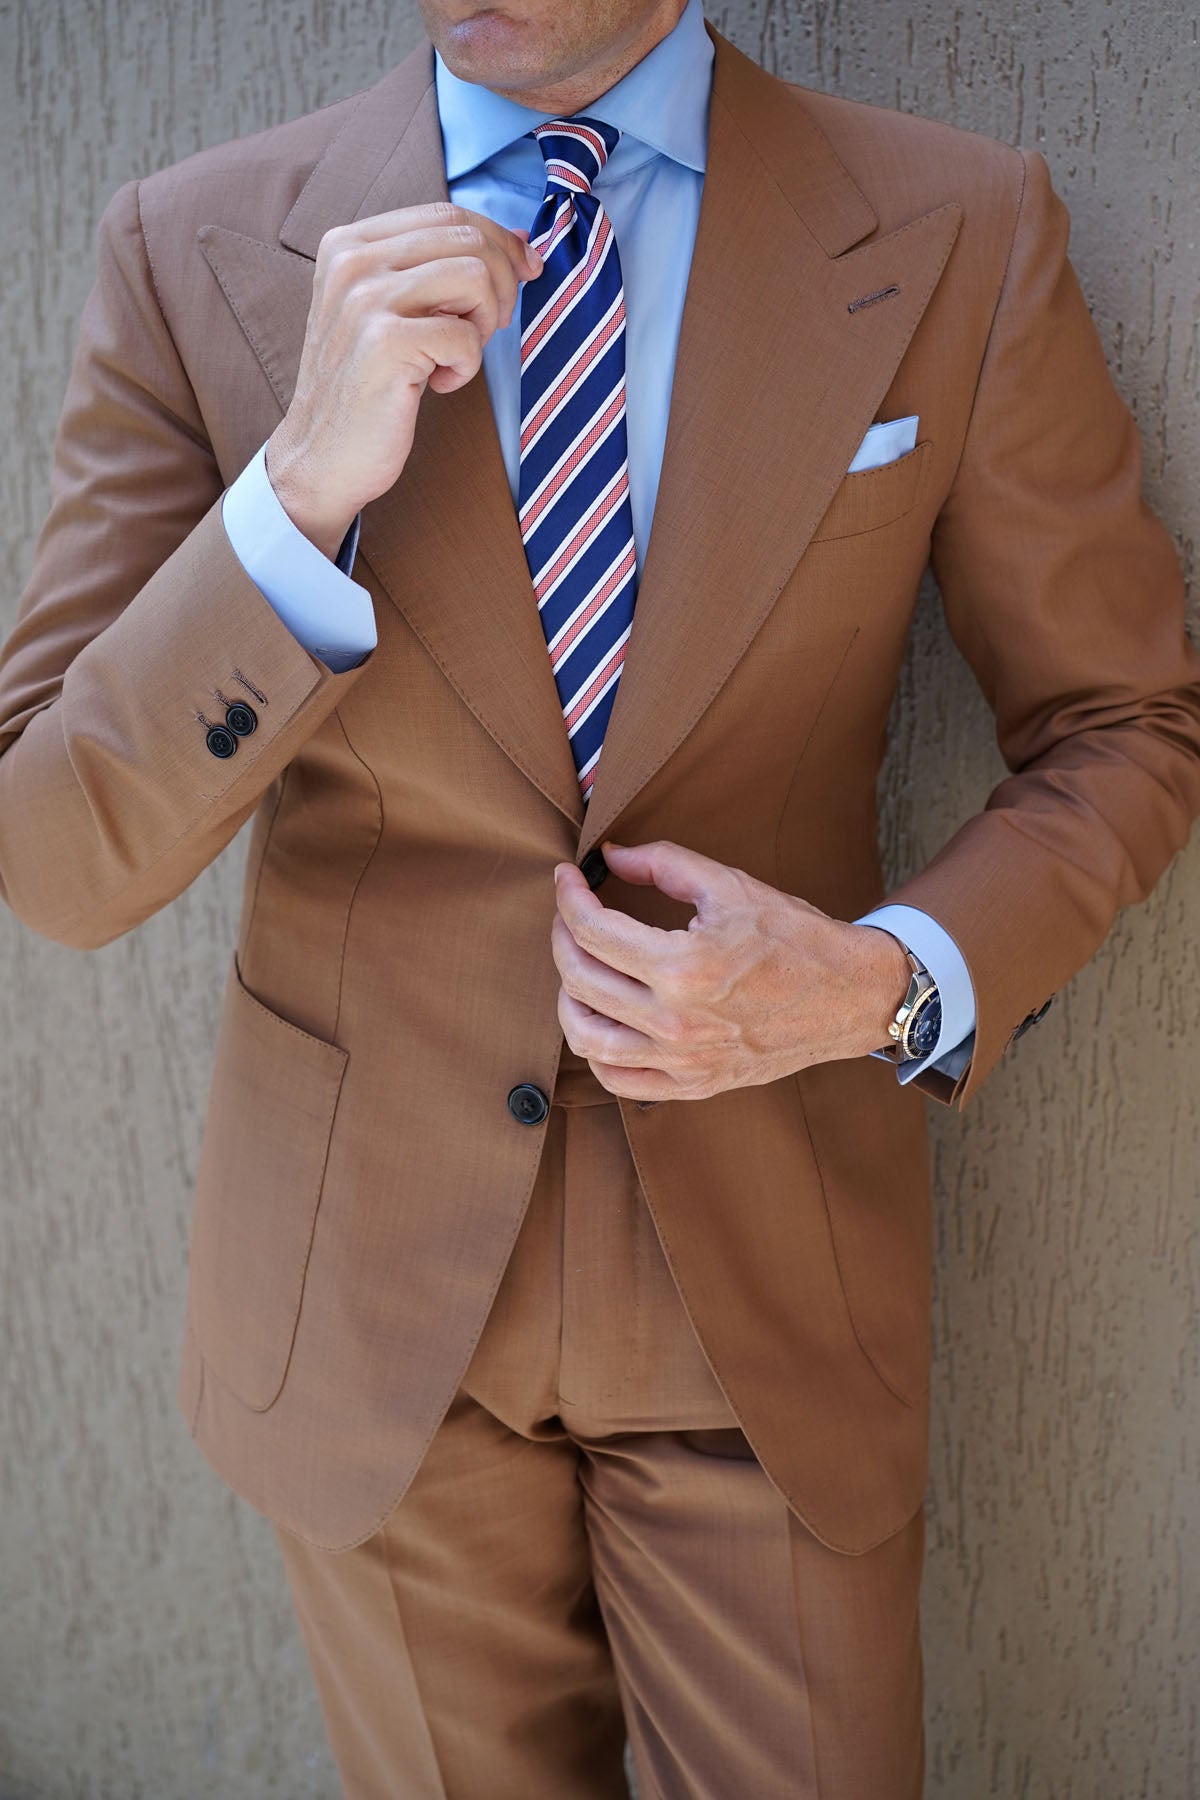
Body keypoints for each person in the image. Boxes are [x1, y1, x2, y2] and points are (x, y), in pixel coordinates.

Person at [2, 0, 1198, 1792]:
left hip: (767, 1296)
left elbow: (1127, 724)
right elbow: (56, 856)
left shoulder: (958, 223)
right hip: (366, 1311)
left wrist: (880, 980)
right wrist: (296, 494)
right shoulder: (194, 246)